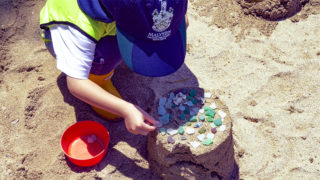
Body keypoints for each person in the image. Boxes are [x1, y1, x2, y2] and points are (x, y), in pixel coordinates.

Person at [40, 0, 188, 135]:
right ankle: (99, 80)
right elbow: (76, 83)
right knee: (109, 52)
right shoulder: (78, 24)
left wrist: (178, 19)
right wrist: (125, 109)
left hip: (111, 21)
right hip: (66, 35)